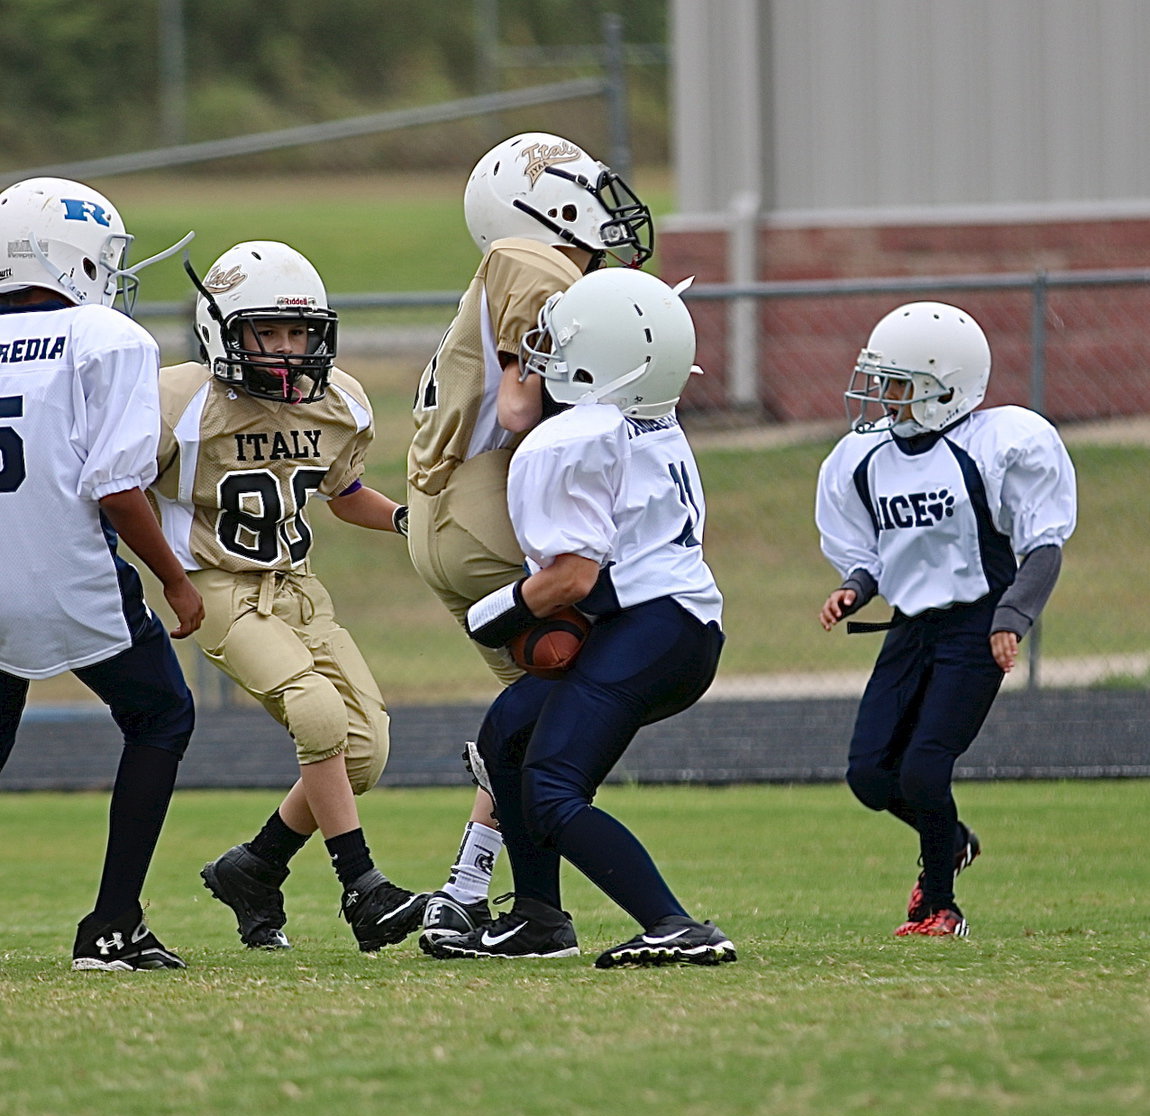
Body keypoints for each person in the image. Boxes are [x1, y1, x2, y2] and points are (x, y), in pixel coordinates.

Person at [425, 269, 737, 968]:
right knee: (509, 730)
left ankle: (676, 924)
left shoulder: (574, 438)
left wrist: (496, 612)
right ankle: (538, 917)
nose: (544, 354)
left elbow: (572, 576)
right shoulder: (649, 418)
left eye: (559, 342)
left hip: (649, 627)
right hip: (675, 626)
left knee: (552, 789)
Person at [406, 132, 656, 947]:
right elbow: (524, 407)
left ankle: (473, 890)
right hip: (492, 513)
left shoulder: (523, 270)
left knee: (528, 719)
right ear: (544, 206)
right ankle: (526, 902)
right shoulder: (531, 260)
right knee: (568, 710)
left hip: (453, 519)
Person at [150, 240, 425, 953]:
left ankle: (256, 866)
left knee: (363, 751)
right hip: (216, 585)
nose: (285, 347)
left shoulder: (340, 403)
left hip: (297, 586)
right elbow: (113, 487)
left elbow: (344, 494)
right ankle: (365, 889)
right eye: (266, 331)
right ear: (222, 330)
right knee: (315, 708)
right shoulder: (179, 401)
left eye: (298, 332)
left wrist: (404, 520)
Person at [815, 301, 1077, 937]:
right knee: (870, 775)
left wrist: (1013, 615)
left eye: (898, 386)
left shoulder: (995, 445)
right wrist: (854, 587)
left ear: (946, 388)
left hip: (977, 622)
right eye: (881, 383)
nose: (883, 399)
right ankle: (952, 838)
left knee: (925, 768)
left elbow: (1043, 544)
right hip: (910, 625)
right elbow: (877, 552)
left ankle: (939, 903)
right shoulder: (864, 458)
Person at [0, 176, 202, 971]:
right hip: (66, 569)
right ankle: (112, 924)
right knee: (162, 715)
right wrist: (174, 578)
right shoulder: (107, 338)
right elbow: (116, 484)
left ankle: (115, 923)